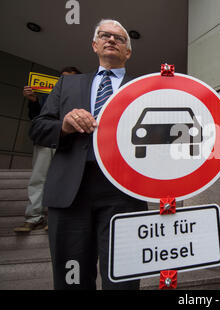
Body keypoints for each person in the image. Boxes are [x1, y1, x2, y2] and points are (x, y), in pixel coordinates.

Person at [30, 19, 147, 290]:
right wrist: (64, 125)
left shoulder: (142, 88)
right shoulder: (67, 85)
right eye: (104, 35)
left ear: (128, 52)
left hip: (124, 192)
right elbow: (37, 128)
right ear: (94, 45)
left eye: (119, 38)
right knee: (72, 279)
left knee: (123, 279)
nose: (111, 40)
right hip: (71, 191)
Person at [14, 67, 81, 233]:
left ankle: (54, 218)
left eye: (70, 79)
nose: (66, 81)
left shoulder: (82, 97)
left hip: (68, 143)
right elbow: (37, 119)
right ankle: (33, 217)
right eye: (63, 78)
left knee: (62, 180)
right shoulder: (47, 95)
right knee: (38, 178)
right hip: (46, 141)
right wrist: (33, 101)